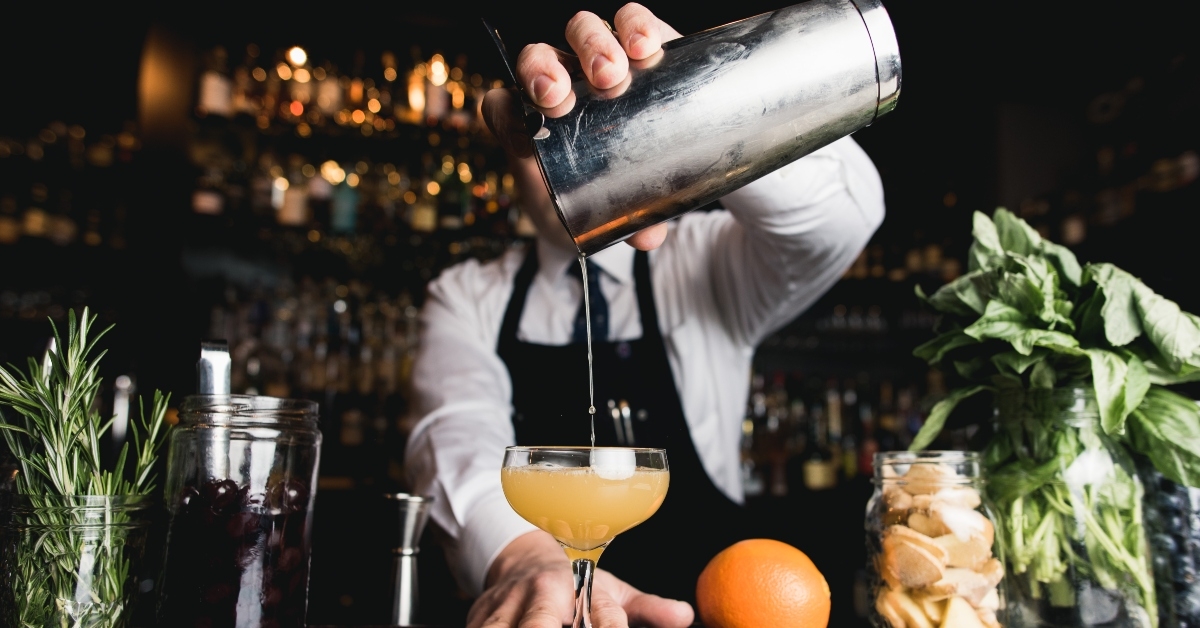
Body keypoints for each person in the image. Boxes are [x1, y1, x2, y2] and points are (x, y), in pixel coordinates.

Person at [403, 4, 886, 627]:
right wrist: (524, 558)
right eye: (543, 123)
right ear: (510, 142)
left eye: (590, 120)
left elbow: (843, 216)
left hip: (707, 609)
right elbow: (453, 433)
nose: (568, 144)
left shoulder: (705, 262)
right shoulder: (467, 296)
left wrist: (696, 93)